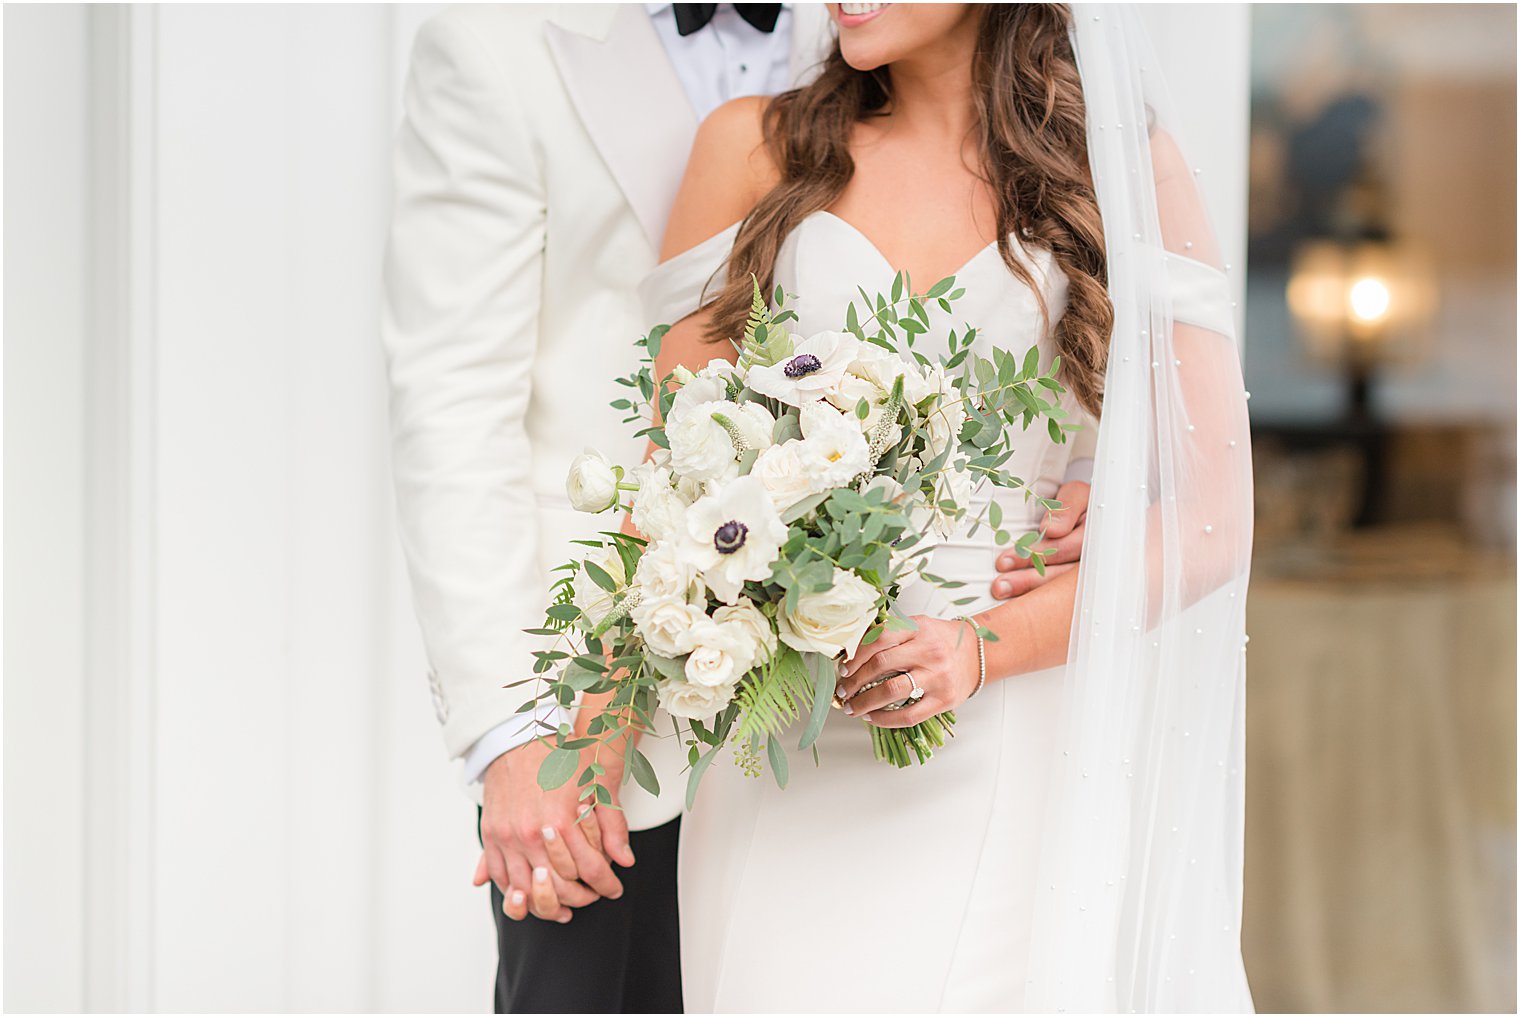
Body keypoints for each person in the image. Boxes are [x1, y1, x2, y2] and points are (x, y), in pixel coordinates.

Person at [381, 3, 1093, 1012]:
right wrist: (515, 732)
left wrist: (1095, 493)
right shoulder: (499, 47)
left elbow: (1080, 387)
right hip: (606, 709)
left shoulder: (884, 30)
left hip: (896, 720)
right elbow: (452, 410)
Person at [640, 2, 1254, 1011]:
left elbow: (1205, 524)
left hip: (1004, 735)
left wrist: (976, 649)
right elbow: (674, 470)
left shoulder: (1122, 167)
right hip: (783, 741)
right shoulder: (750, 149)